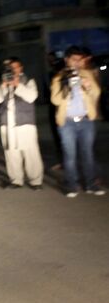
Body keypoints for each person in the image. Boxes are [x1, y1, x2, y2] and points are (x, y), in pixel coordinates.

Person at [50, 46, 104, 197]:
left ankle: (91, 184)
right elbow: (55, 100)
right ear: (67, 60)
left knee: (88, 154)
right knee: (70, 156)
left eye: (80, 60)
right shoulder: (59, 77)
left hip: (86, 120)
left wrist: (86, 87)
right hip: (67, 122)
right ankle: (71, 185)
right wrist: (66, 87)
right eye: (74, 59)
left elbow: (97, 93)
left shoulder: (87, 74)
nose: (77, 63)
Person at [0, 57, 44, 189]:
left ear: (21, 68)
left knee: (31, 152)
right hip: (7, 123)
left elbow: (32, 97)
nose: (13, 70)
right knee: (11, 152)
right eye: (10, 67)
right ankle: (16, 180)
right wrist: (3, 86)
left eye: (15, 67)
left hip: (25, 123)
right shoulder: (2, 81)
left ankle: (36, 181)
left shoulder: (28, 80)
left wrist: (17, 85)